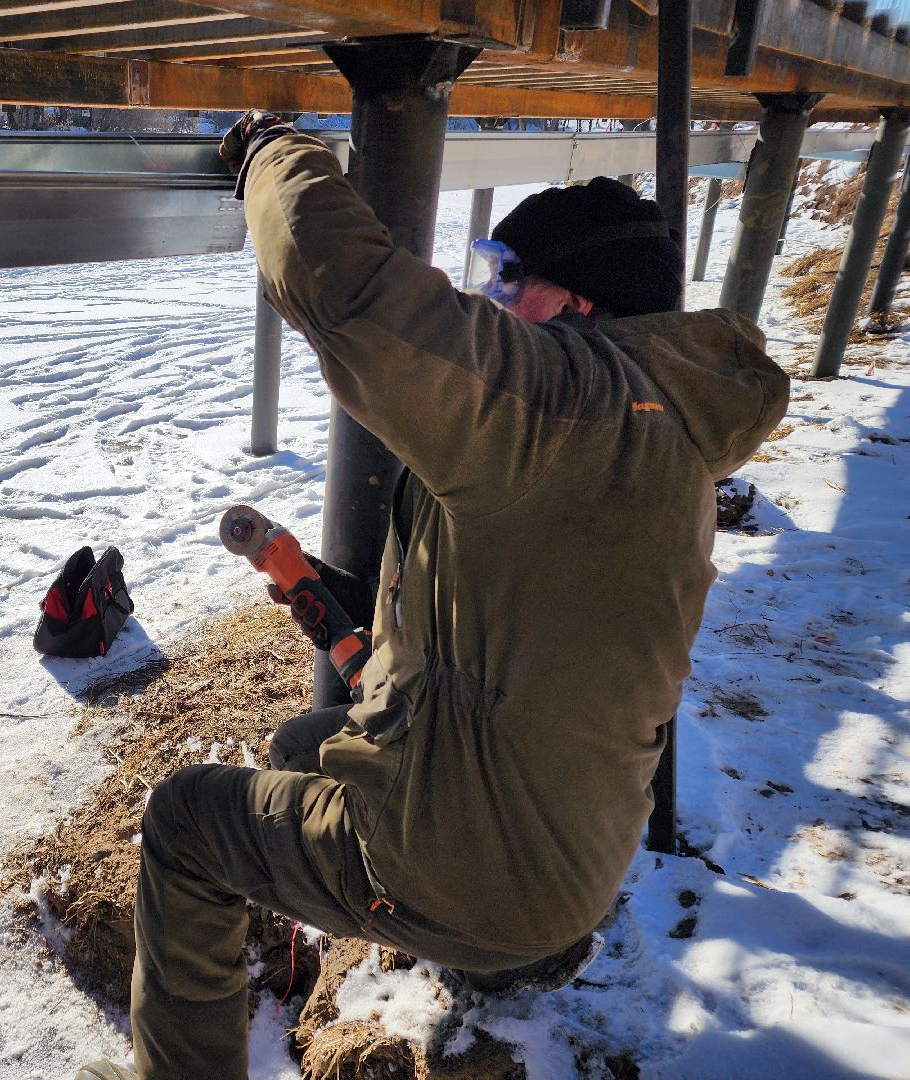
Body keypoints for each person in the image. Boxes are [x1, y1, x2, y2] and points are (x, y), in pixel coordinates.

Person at [78, 112, 789, 1080]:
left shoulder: (560, 408)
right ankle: (499, 960)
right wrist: (368, 632)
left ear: (577, 304)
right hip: (573, 868)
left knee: (185, 823)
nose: (491, 297)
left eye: (510, 276)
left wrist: (267, 154)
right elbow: (523, 645)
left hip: (470, 878)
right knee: (299, 746)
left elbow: (351, 290)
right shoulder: (665, 438)